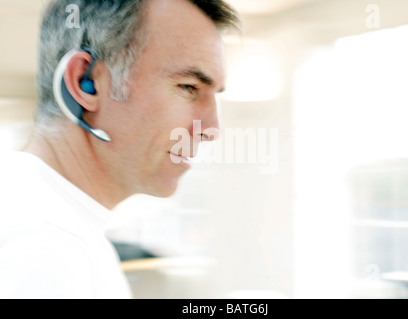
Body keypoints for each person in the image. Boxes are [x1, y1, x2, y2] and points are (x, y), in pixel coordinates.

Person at [0, 0, 239, 299]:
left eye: (213, 95)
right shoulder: (44, 247)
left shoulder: (57, 226)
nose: (211, 129)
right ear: (85, 83)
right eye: (188, 87)